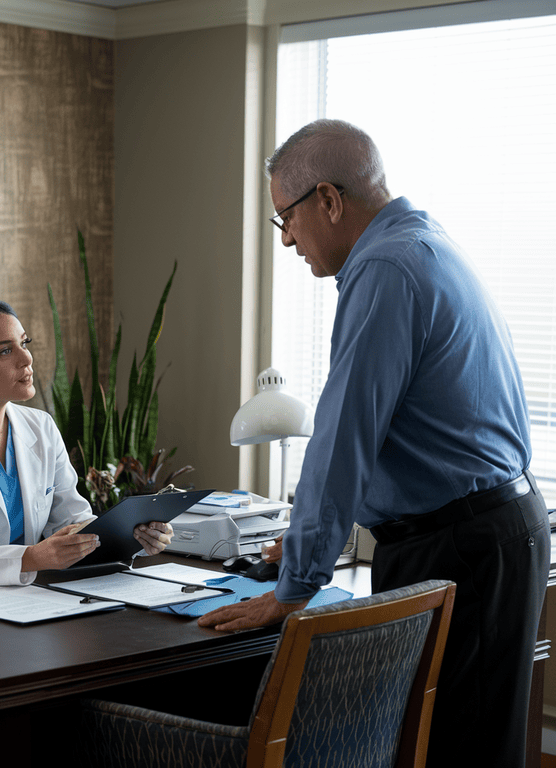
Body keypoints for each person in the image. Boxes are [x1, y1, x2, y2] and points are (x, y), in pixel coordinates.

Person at [198, 119, 549, 768]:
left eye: (287, 219)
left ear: (327, 200)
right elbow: (422, 428)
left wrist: (294, 584)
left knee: (451, 750)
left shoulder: (384, 268)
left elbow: (344, 436)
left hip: (462, 544)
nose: (288, 240)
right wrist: (310, 540)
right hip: (488, 530)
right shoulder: (421, 244)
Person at [0, 296, 172, 588]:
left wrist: (133, 536)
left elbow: (72, 524)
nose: (26, 359)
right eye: (5, 351)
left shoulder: (41, 427)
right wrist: (30, 558)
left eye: (24, 343)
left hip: (22, 598)